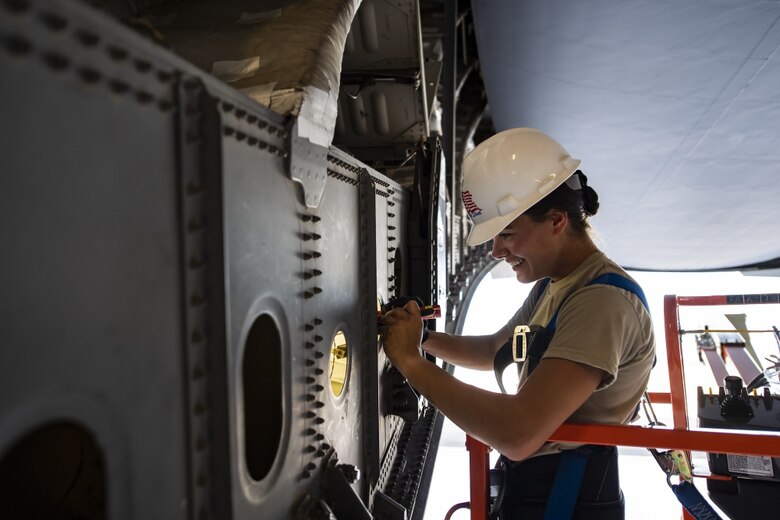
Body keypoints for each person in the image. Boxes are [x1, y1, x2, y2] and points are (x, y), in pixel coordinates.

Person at [380, 128, 656, 519]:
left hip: (566, 498)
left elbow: (518, 433)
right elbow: (494, 349)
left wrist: (411, 362)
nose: (496, 250)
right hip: (540, 491)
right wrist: (421, 337)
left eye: (507, 234)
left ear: (557, 220)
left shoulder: (602, 301)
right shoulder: (558, 284)